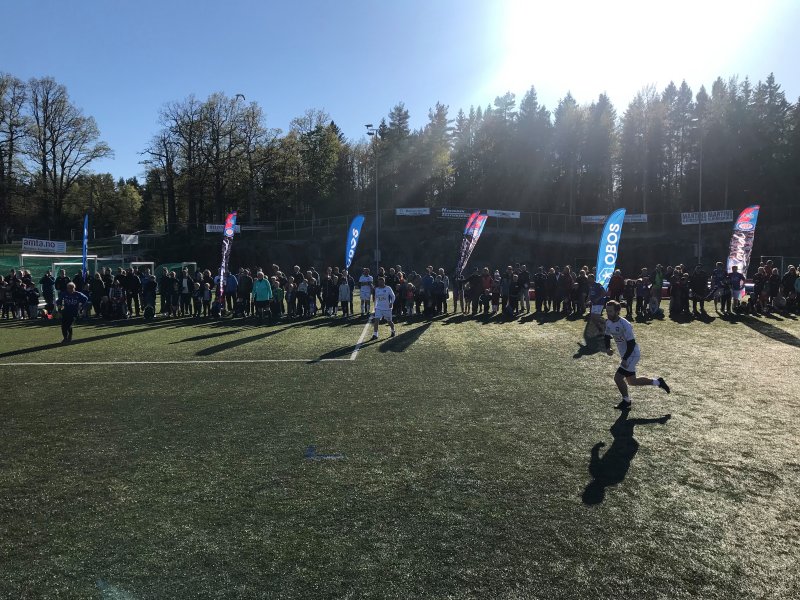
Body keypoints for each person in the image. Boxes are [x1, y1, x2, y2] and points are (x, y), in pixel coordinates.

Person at [603, 300, 670, 410]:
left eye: (610, 311)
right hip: (626, 355)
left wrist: (625, 359)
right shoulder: (608, 322)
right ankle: (658, 382)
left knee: (618, 378)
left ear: (617, 311)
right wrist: (608, 348)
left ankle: (626, 401)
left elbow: (631, 343)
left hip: (632, 354)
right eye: (607, 311)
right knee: (632, 382)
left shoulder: (625, 324)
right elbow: (606, 336)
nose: (608, 313)